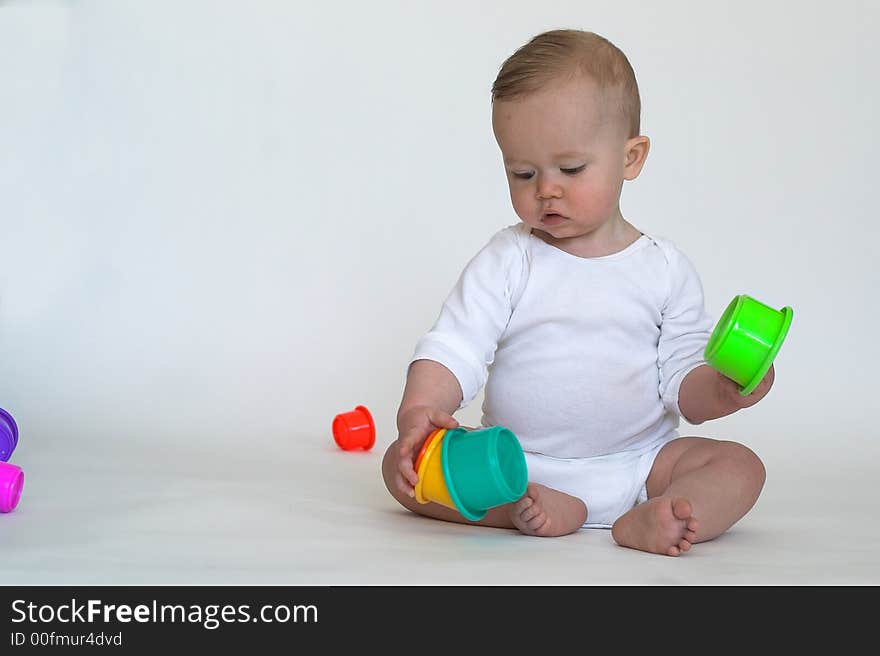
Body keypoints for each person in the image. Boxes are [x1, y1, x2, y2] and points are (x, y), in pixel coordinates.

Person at [381, 29, 769, 556]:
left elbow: (682, 381)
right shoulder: (508, 258)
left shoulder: (664, 269)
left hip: (641, 464)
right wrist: (420, 408)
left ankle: (664, 514)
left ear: (631, 158)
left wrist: (724, 389)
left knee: (739, 466)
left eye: (571, 168)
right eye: (522, 172)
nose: (546, 189)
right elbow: (456, 344)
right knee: (400, 471)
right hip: (513, 464)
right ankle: (527, 510)